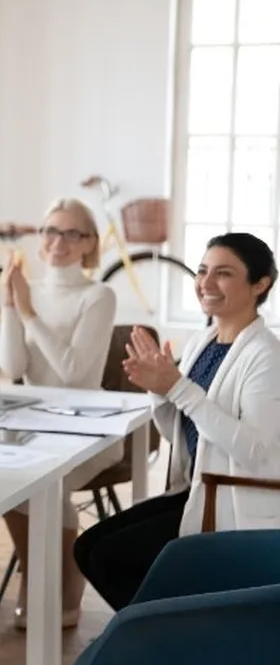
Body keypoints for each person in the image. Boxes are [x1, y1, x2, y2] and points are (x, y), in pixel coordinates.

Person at [74, 232, 280, 611]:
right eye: (202, 271)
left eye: (223, 273)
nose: (206, 283)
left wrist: (177, 386)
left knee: (107, 557)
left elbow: (253, 450)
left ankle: (159, 632)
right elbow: (184, 434)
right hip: (195, 488)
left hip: (230, 498)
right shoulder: (203, 341)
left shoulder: (267, 356)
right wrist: (160, 388)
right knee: (87, 548)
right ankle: (162, 630)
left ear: (260, 284)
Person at [0, 198, 117, 628]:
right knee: (3, 475)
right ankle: (42, 573)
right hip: (34, 420)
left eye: (71, 233)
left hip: (89, 427)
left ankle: (56, 582)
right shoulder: (29, 291)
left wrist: (27, 310)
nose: (57, 241)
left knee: (45, 480)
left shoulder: (99, 296)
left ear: (89, 244)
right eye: (50, 230)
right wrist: (11, 306)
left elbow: (69, 374)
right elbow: (12, 368)